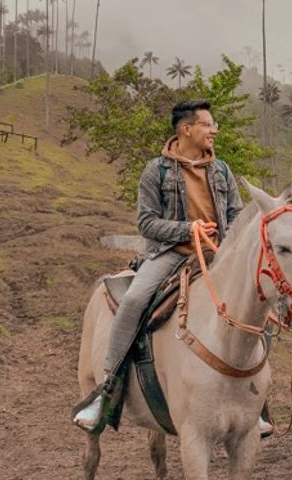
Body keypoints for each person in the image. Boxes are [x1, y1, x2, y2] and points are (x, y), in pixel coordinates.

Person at [73, 99, 245, 433]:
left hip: (216, 254)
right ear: (186, 129)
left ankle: (255, 399)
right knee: (134, 301)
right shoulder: (157, 171)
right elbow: (147, 223)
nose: (214, 130)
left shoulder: (222, 170)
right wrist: (188, 228)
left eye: (214, 125)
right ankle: (108, 390)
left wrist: (232, 243)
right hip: (170, 253)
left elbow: (235, 214)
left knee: (252, 302)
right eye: (208, 124)